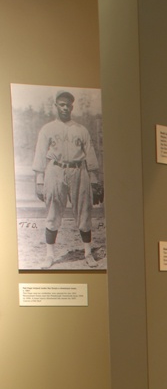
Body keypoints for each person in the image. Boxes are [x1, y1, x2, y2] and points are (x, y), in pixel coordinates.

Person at [32, 90, 102, 269]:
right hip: (55, 170)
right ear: (56, 106)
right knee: (53, 212)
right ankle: (50, 255)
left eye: (68, 105)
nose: (65, 108)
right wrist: (39, 180)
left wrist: (94, 180)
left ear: (72, 107)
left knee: (84, 211)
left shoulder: (81, 129)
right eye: (61, 104)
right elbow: (40, 155)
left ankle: (87, 253)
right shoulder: (48, 129)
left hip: (79, 170)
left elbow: (90, 155)